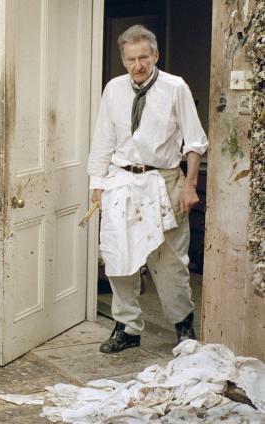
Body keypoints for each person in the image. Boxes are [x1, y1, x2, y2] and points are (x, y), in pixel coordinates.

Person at [88, 25, 208, 354]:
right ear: (123, 59)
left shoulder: (175, 88)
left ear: (155, 55)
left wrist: (190, 184)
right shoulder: (113, 89)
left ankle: (183, 326)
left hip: (164, 181)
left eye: (143, 57)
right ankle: (127, 327)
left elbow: (195, 141)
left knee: (169, 261)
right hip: (121, 182)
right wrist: (97, 184)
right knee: (118, 258)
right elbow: (103, 140)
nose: (137, 64)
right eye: (130, 59)